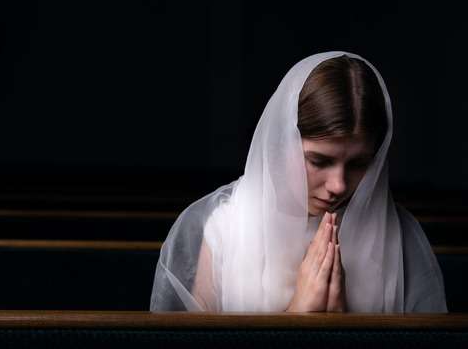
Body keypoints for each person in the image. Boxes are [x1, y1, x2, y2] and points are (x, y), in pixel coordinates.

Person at [150, 51, 447, 313]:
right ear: (282, 144)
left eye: (358, 164)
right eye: (319, 161)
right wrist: (297, 317)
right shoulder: (224, 228)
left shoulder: (399, 234)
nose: (339, 185)